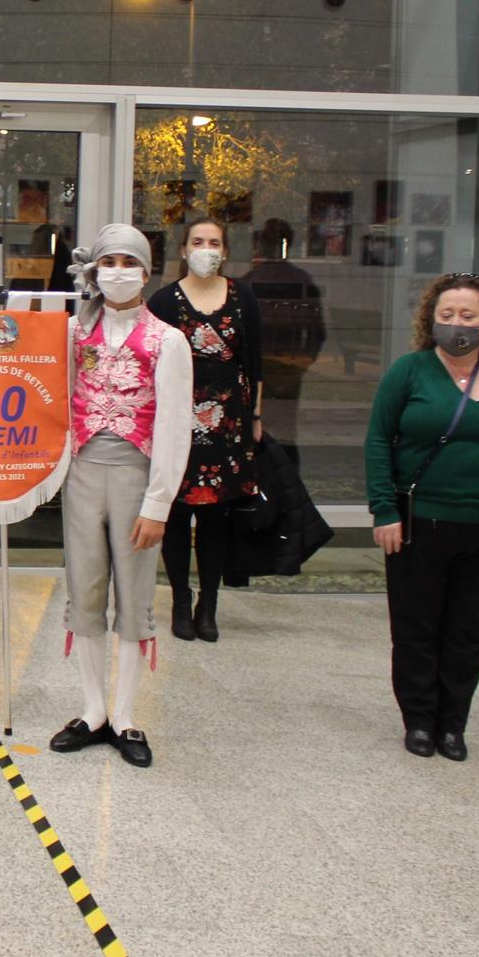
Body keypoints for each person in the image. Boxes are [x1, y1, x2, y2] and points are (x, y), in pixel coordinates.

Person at [365, 273, 479, 762]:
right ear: (431, 319)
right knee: (417, 625)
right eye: (446, 315)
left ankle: (453, 724)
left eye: (467, 316)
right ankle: (420, 720)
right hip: (418, 524)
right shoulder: (410, 372)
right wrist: (384, 509)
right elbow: (379, 442)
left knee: (467, 631)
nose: (456, 324)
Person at [48, 225, 192, 769]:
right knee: (84, 589)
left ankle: (128, 715)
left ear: (146, 271)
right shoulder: (72, 334)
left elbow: (176, 426)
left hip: (136, 474)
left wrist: (160, 503)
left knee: (133, 595)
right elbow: (52, 396)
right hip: (83, 471)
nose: (116, 270)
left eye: (128, 261)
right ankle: (92, 710)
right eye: (106, 260)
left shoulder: (167, 341)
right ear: (94, 270)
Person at [148, 217, 264, 642]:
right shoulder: (163, 301)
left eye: (214, 242)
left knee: (216, 517)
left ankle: (208, 603)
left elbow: (255, 362)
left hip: (228, 421)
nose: (206, 248)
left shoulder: (242, 298)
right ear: (184, 249)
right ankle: (180, 599)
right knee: (177, 514)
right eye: (198, 241)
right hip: (178, 418)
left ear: (225, 251)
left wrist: (255, 417)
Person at [245, 217, 327, 464]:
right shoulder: (301, 279)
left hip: (260, 367)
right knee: (286, 433)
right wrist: (303, 361)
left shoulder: (249, 281)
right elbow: (318, 332)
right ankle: (288, 488)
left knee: (256, 430)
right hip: (288, 366)